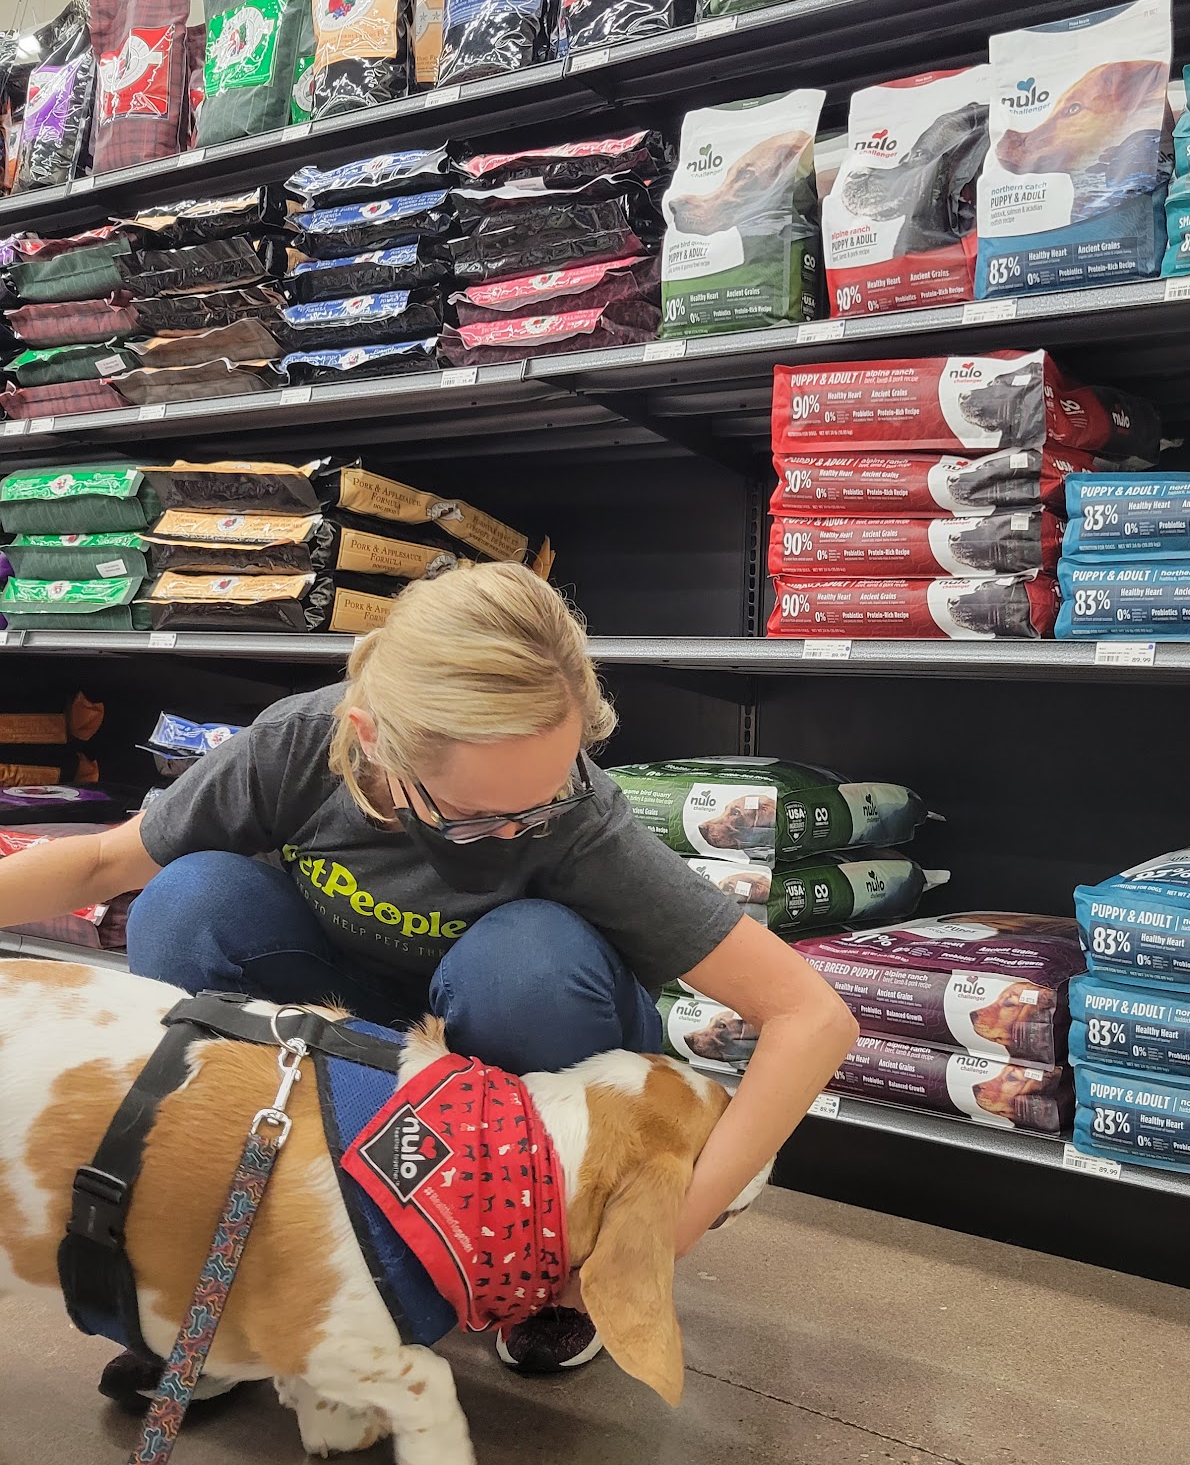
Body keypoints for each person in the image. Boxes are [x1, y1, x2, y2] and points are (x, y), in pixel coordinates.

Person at [0, 563, 856, 1392]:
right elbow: (102, 863)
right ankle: (237, 1269)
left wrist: (664, 1236)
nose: (522, 829)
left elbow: (812, 1017)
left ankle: (545, 1270)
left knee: (526, 962)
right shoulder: (299, 746)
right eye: (480, 817)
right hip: (364, 1039)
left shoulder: (578, 818)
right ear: (373, 739)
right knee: (186, 903)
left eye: (546, 798)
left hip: (513, 1045)